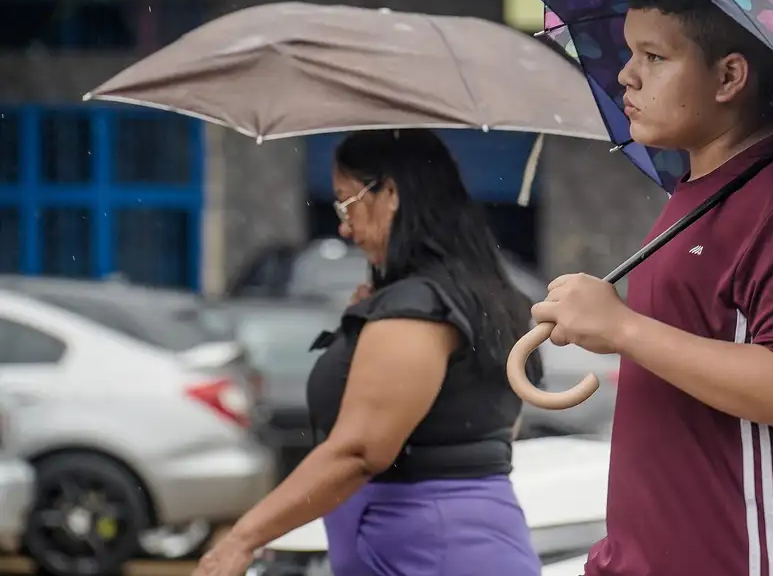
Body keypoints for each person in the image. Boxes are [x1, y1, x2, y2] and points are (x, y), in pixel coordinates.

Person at [531, 0, 773, 575]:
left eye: (655, 57)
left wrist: (620, 329)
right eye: (628, 53)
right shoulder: (697, 190)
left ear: (729, 77)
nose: (626, 75)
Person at [194, 129, 543, 576]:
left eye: (346, 202)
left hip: (430, 552)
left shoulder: (420, 308)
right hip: (453, 541)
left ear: (391, 193)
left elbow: (360, 450)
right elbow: (481, 425)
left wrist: (242, 540)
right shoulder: (480, 296)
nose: (343, 225)